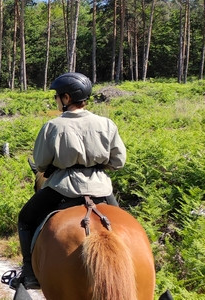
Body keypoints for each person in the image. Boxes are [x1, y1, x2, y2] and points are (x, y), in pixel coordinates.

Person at [9, 72, 126, 290]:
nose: (56, 100)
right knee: (125, 226)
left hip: (63, 188)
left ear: (66, 98)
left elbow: (41, 164)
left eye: (57, 96)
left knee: (25, 218)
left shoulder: (53, 126)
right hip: (101, 187)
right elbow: (118, 161)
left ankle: (29, 273)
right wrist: (98, 167)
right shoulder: (107, 124)